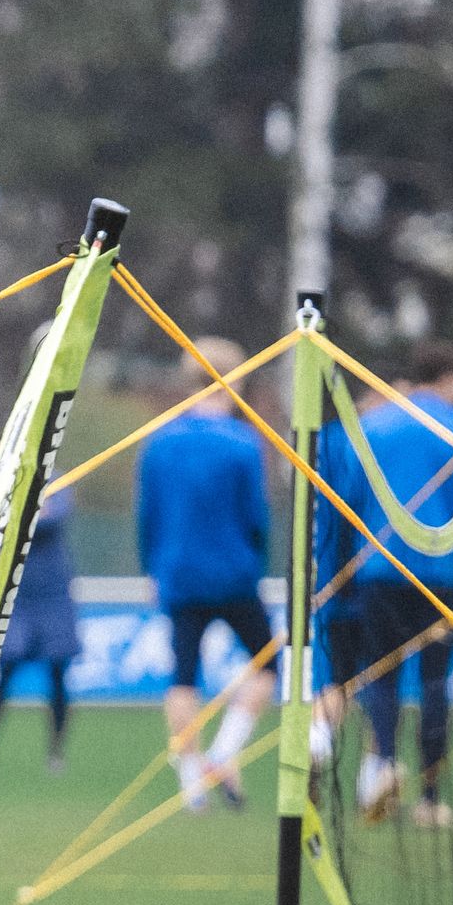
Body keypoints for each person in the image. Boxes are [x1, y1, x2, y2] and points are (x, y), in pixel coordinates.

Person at [321, 340, 453, 824]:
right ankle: (430, 797)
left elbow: (347, 500)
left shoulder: (371, 428)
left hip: (380, 571)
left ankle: (381, 771)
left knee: (382, 675)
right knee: (435, 680)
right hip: (446, 575)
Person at [137, 344, 271, 811]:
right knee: (269, 663)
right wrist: (257, 558)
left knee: (183, 676)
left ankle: (193, 780)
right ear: (233, 381)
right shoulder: (242, 443)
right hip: (233, 573)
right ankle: (224, 751)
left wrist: (151, 567)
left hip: (177, 573)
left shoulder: (160, 441)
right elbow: (256, 515)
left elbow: (147, 514)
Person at [0, 481, 80, 768]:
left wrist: (18, 512)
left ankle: (56, 752)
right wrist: (33, 512)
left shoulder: (58, 480)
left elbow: (51, 520)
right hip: (14, 595)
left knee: (58, 673)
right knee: (5, 671)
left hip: (54, 595)